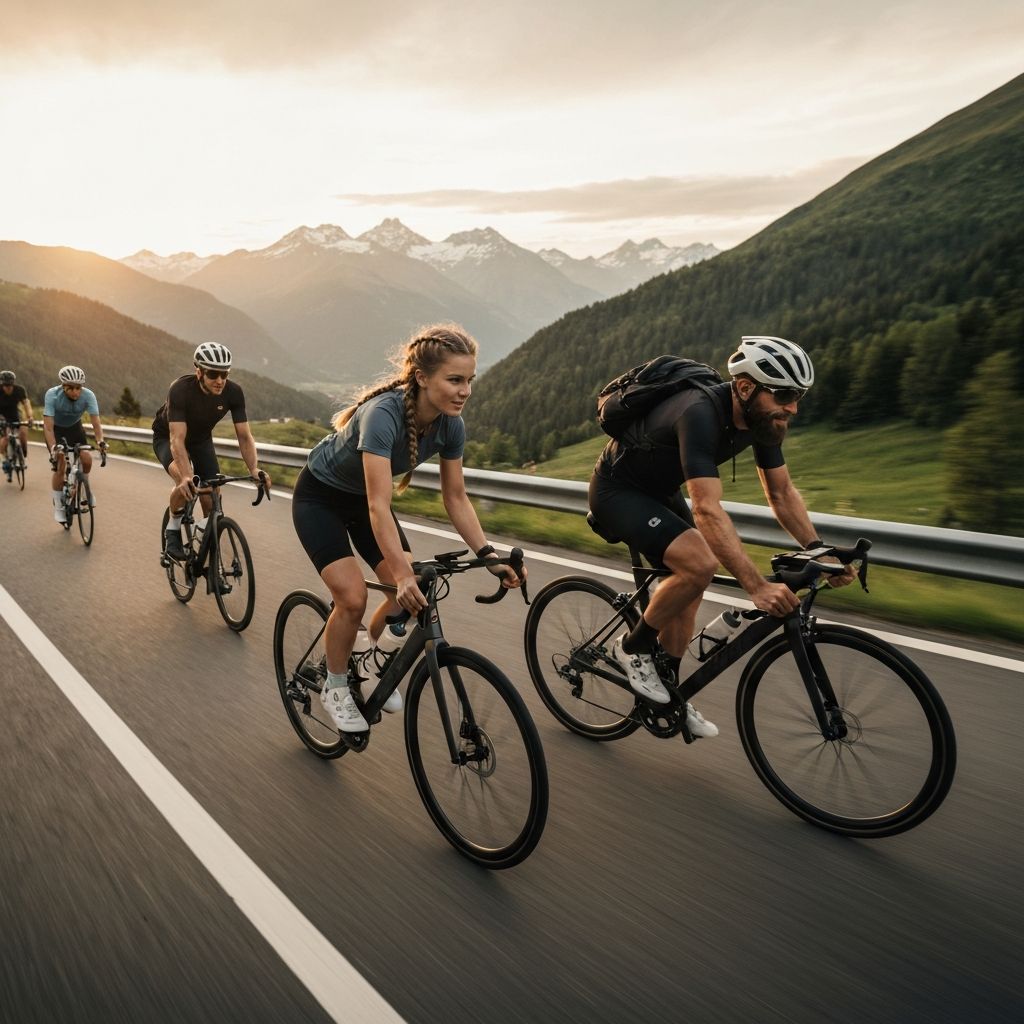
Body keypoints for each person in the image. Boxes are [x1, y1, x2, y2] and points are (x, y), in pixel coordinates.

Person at [588, 335, 855, 737]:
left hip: (660, 492)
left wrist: (817, 549)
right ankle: (632, 649)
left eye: (798, 396)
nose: (793, 407)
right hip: (617, 492)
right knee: (699, 563)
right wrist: (756, 587)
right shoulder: (699, 412)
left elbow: (781, 492)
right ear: (745, 387)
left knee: (692, 584)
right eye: (784, 395)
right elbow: (707, 509)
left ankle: (668, 690)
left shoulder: (763, 420)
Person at [292, 323, 525, 733]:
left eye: (469, 380)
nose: (465, 391)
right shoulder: (383, 415)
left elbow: (455, 498)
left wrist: (488, 556)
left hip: (364, 502)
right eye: (455, 380)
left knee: (410, 594)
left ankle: (368, 662)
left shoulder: (451, 425)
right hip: (320, 498)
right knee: (353, 597)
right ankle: (335, 684)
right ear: (422, 377)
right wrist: (399, 575)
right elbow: (378, 505)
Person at [152, 342, 269, 561]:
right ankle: (173, 529)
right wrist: (186, 476)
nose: (220, 380)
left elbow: (244, 436)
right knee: (187, 484)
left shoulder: (233, 392)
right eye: (213, 374)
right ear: (199, 372)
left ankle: (206, 546)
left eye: (224, 374)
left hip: (201, 440)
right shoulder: (180, 390)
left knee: (212, 494)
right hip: (167, 438)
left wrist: (254, 469)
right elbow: (177, 439)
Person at [43, 366, 107, 523]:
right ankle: (59, 506)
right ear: (63, 386)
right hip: (56, 431)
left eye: (78, 388)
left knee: (87, 459)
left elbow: (96, 423)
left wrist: (100, 441)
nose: (75, 392)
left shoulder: (88, 396)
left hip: (75, 429)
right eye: (70, 388)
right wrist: (53, 448)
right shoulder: (52, 395)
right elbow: (48, 427)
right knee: (61, 463)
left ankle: (85, 489)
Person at [0, 370, 33, 478]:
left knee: (23, 434)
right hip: (2, 416)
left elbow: (26, 404)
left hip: (15, 414)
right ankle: (4, 460)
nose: (8, 388)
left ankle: (23, 456)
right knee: (5, 439)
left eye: (10, 385)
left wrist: (30, 417)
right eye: (5, 385)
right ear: (2, 384)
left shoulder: (19, 390)